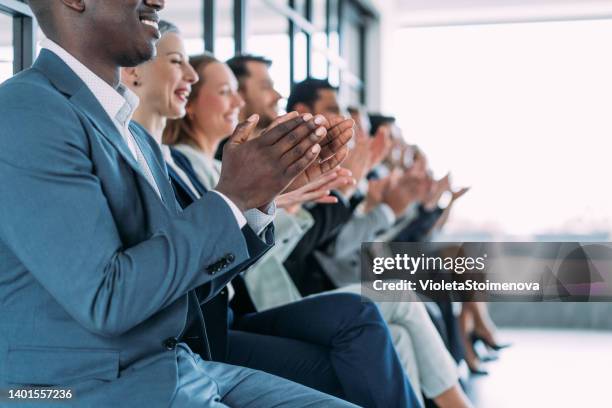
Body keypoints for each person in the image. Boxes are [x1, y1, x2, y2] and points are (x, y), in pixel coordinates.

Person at [0, 1, 358, 406]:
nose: (159, 1)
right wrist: (233, 197)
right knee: (365, 323)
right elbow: (106, 299)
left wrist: (258, 198)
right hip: (87, 389)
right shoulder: (26, 111)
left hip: (176, 368)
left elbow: (179, 282)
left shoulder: (136, 137)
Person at [124, 21, 422, 408]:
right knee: (377, 329)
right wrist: (280, 201)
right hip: (210, 326)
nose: (191, 77)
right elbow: (203, 256)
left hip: (224, 312)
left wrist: (278, 201)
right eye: (178, 62)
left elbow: (221, 247)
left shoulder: (171, 162)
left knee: (392, 316)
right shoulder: (162, 162)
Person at [226, 62, 473, 408]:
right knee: (403, 296)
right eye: (334, 110)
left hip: (298, 291)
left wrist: (422, 206)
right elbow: (329, 249)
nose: (276, 95)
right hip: (281, 299)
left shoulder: (311, 168)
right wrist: (359, 199)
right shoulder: (238, 166)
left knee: (402, 327)